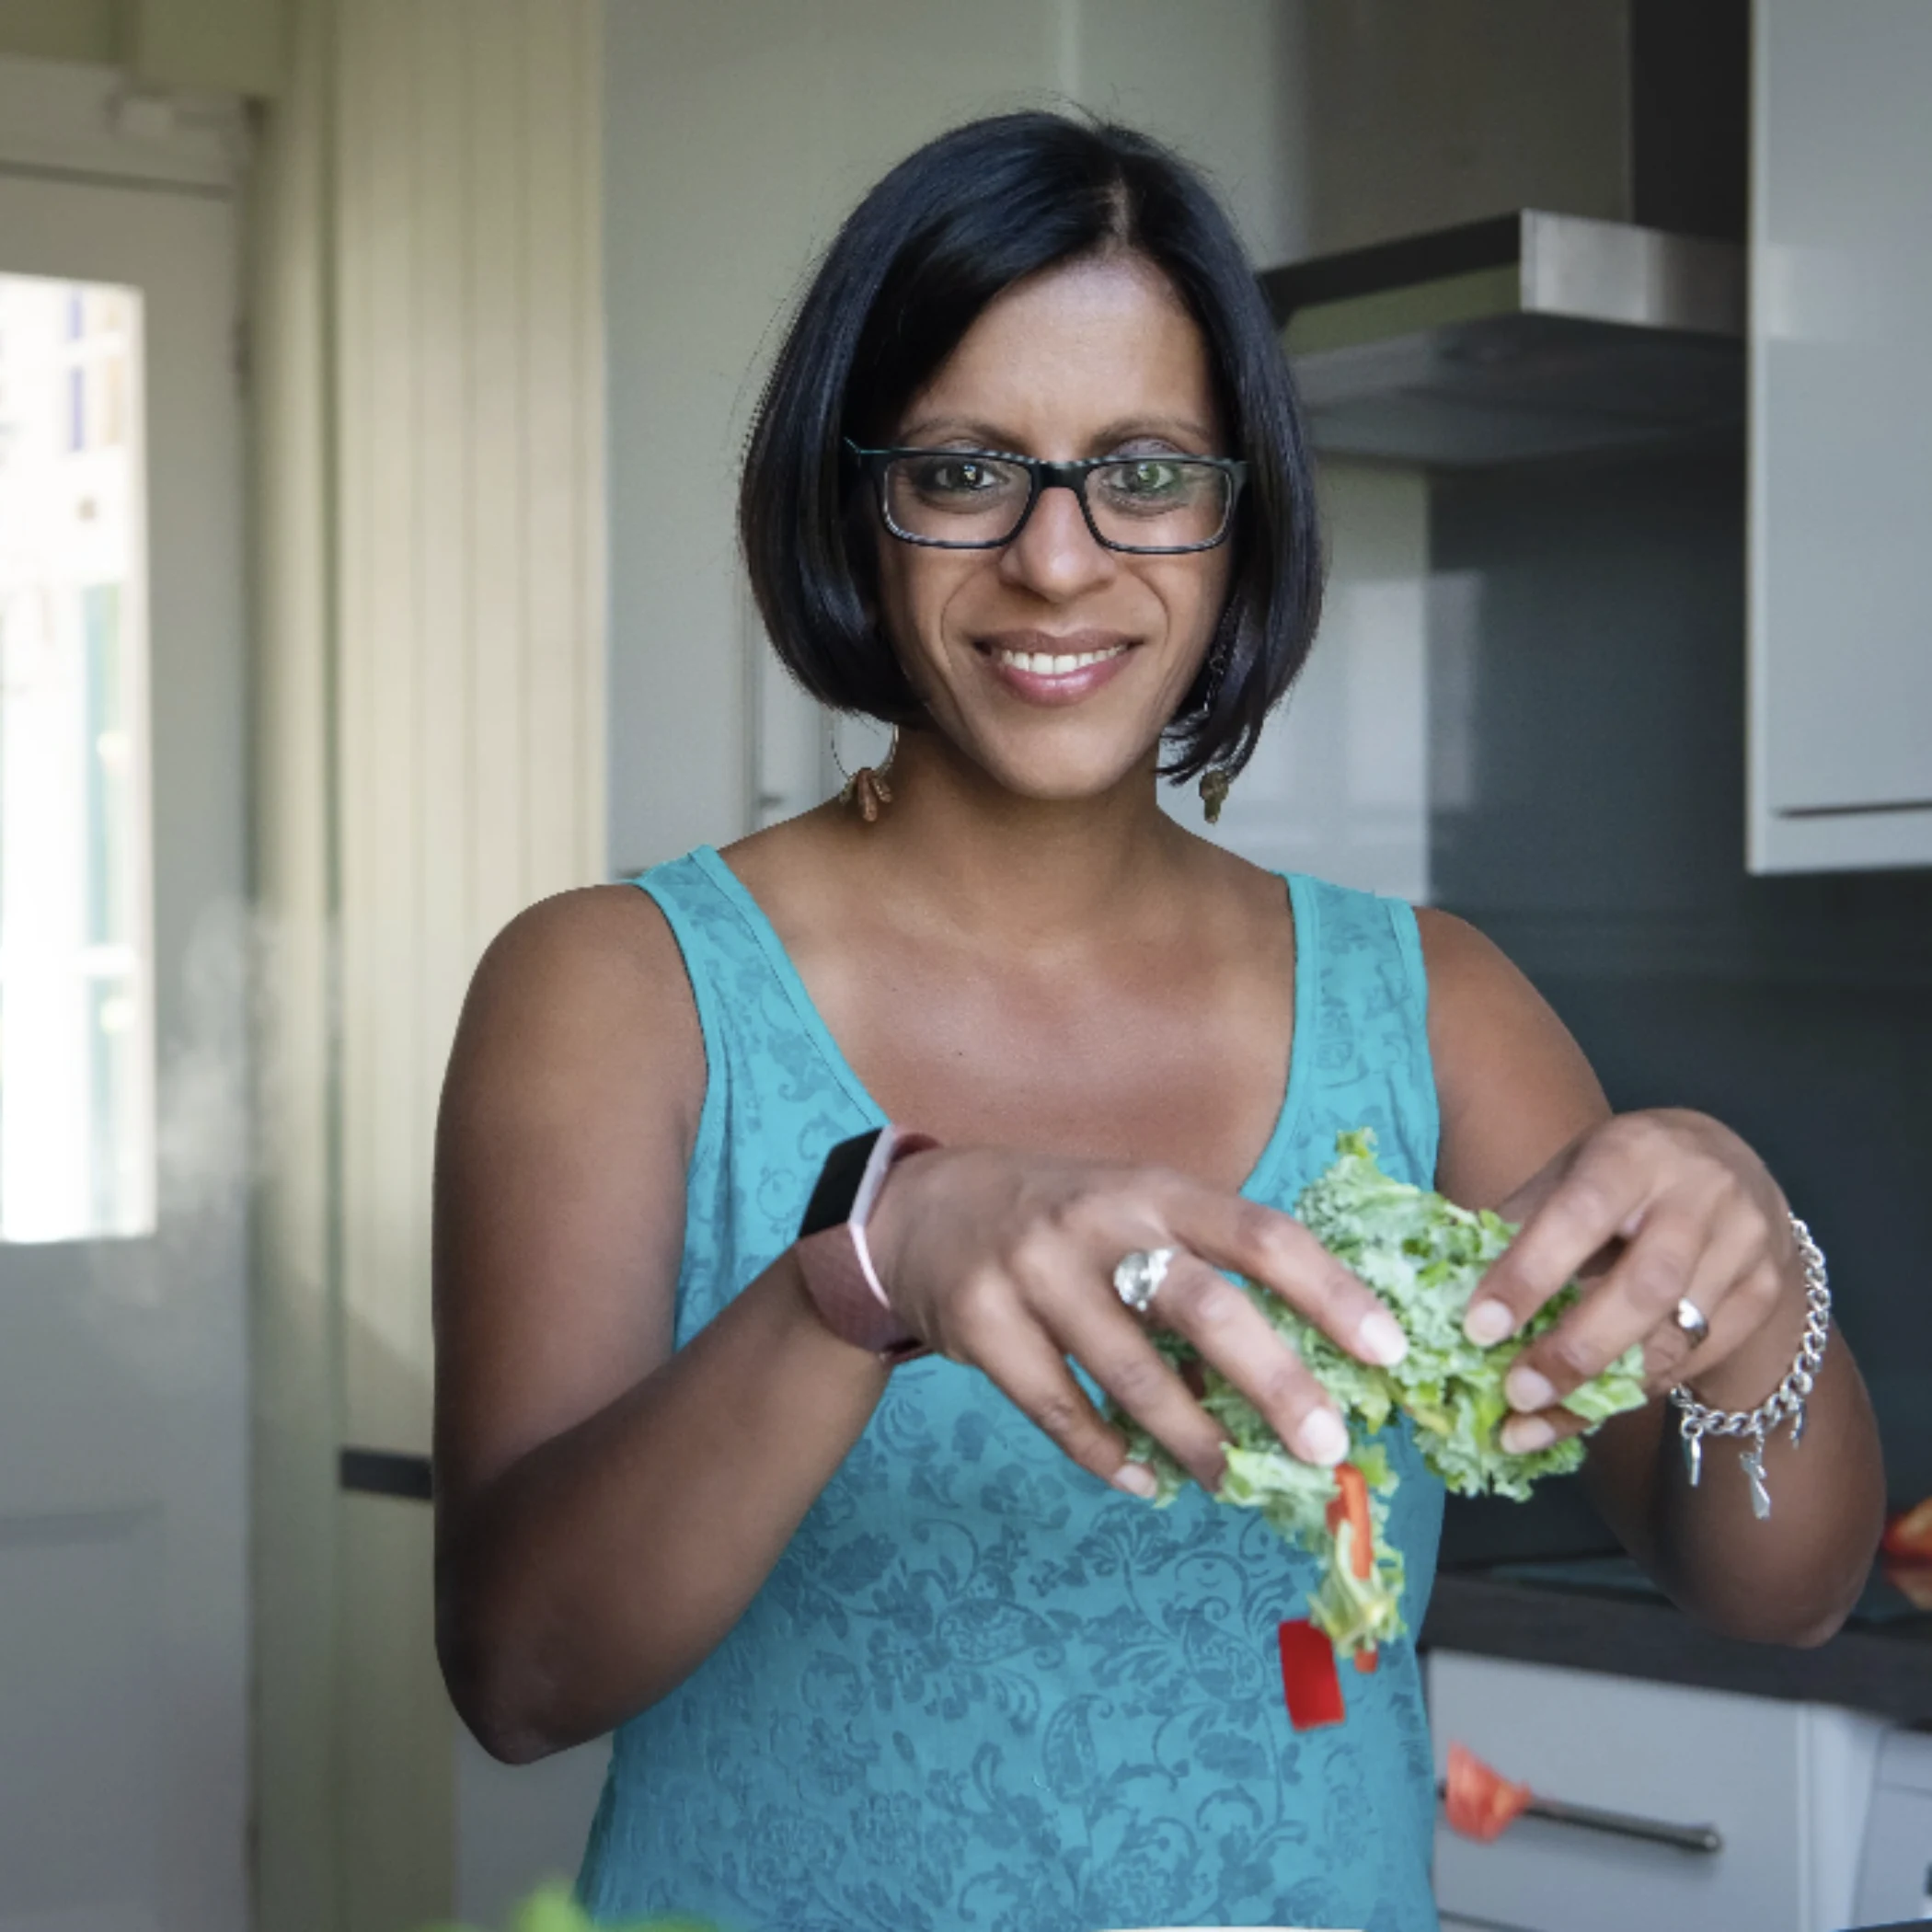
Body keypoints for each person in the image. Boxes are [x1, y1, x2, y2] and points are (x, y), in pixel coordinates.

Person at [431, 112, 1885, 1932]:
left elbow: (1780, 1592)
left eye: (1146, 472)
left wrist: (1751, 1269)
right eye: (966, 472)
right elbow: (516, 1674)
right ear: (853, 500)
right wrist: (871, 1266)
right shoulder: (616, 989)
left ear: (1238, 510)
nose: (1058, 562)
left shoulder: (1431, 1007)